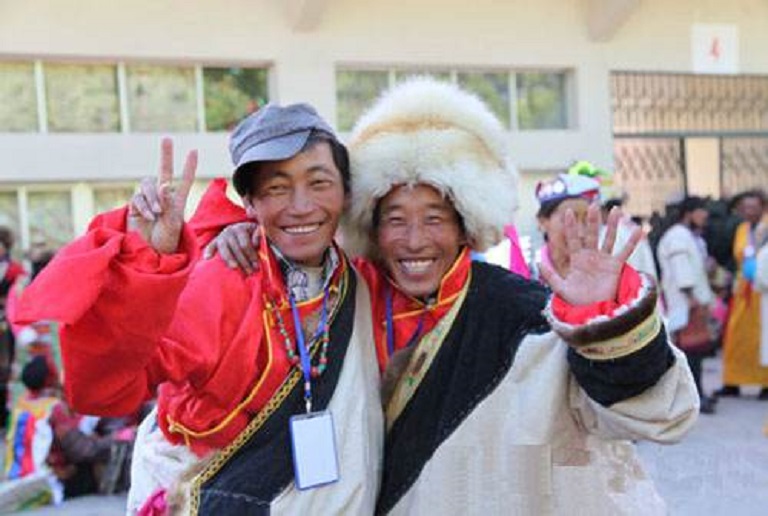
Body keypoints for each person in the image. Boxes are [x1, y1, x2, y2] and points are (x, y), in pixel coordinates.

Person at [209, 79, 699, 515]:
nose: (415, 239)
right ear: (372, 228)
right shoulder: (346, 300)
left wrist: (603, 321)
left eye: (436, 218)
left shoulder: (524, 314)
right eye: (396, 218)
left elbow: (659, 416)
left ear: (467, 223)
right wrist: (240, 234)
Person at [15, 104, 383, 514]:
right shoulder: (224, 279)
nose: (301, 206)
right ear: (249, 202)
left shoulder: (365, 281)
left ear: (346, 192)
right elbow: (104, 391)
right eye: (276, 188)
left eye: (319, 183)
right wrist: (143, 264)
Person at [656, 196, 717, 414]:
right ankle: (693, 397)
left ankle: (694, 395)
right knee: (690, 353)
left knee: (694, 353)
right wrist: (691, 298)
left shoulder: (686, 236)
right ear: (688, 213)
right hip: (686, 304)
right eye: (701, 213)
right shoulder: (678, 237)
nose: (705, 218)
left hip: (689, 303)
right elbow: (682, 270)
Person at [717, 189, 768, 399]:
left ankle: (765, 383)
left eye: (753, 207)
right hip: (742, 290)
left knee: (763, 338)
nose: (748, 211)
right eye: (745, 207)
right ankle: (733, 380)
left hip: (763, 291)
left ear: (763, 208)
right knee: (735, 335)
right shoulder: (741, 229)